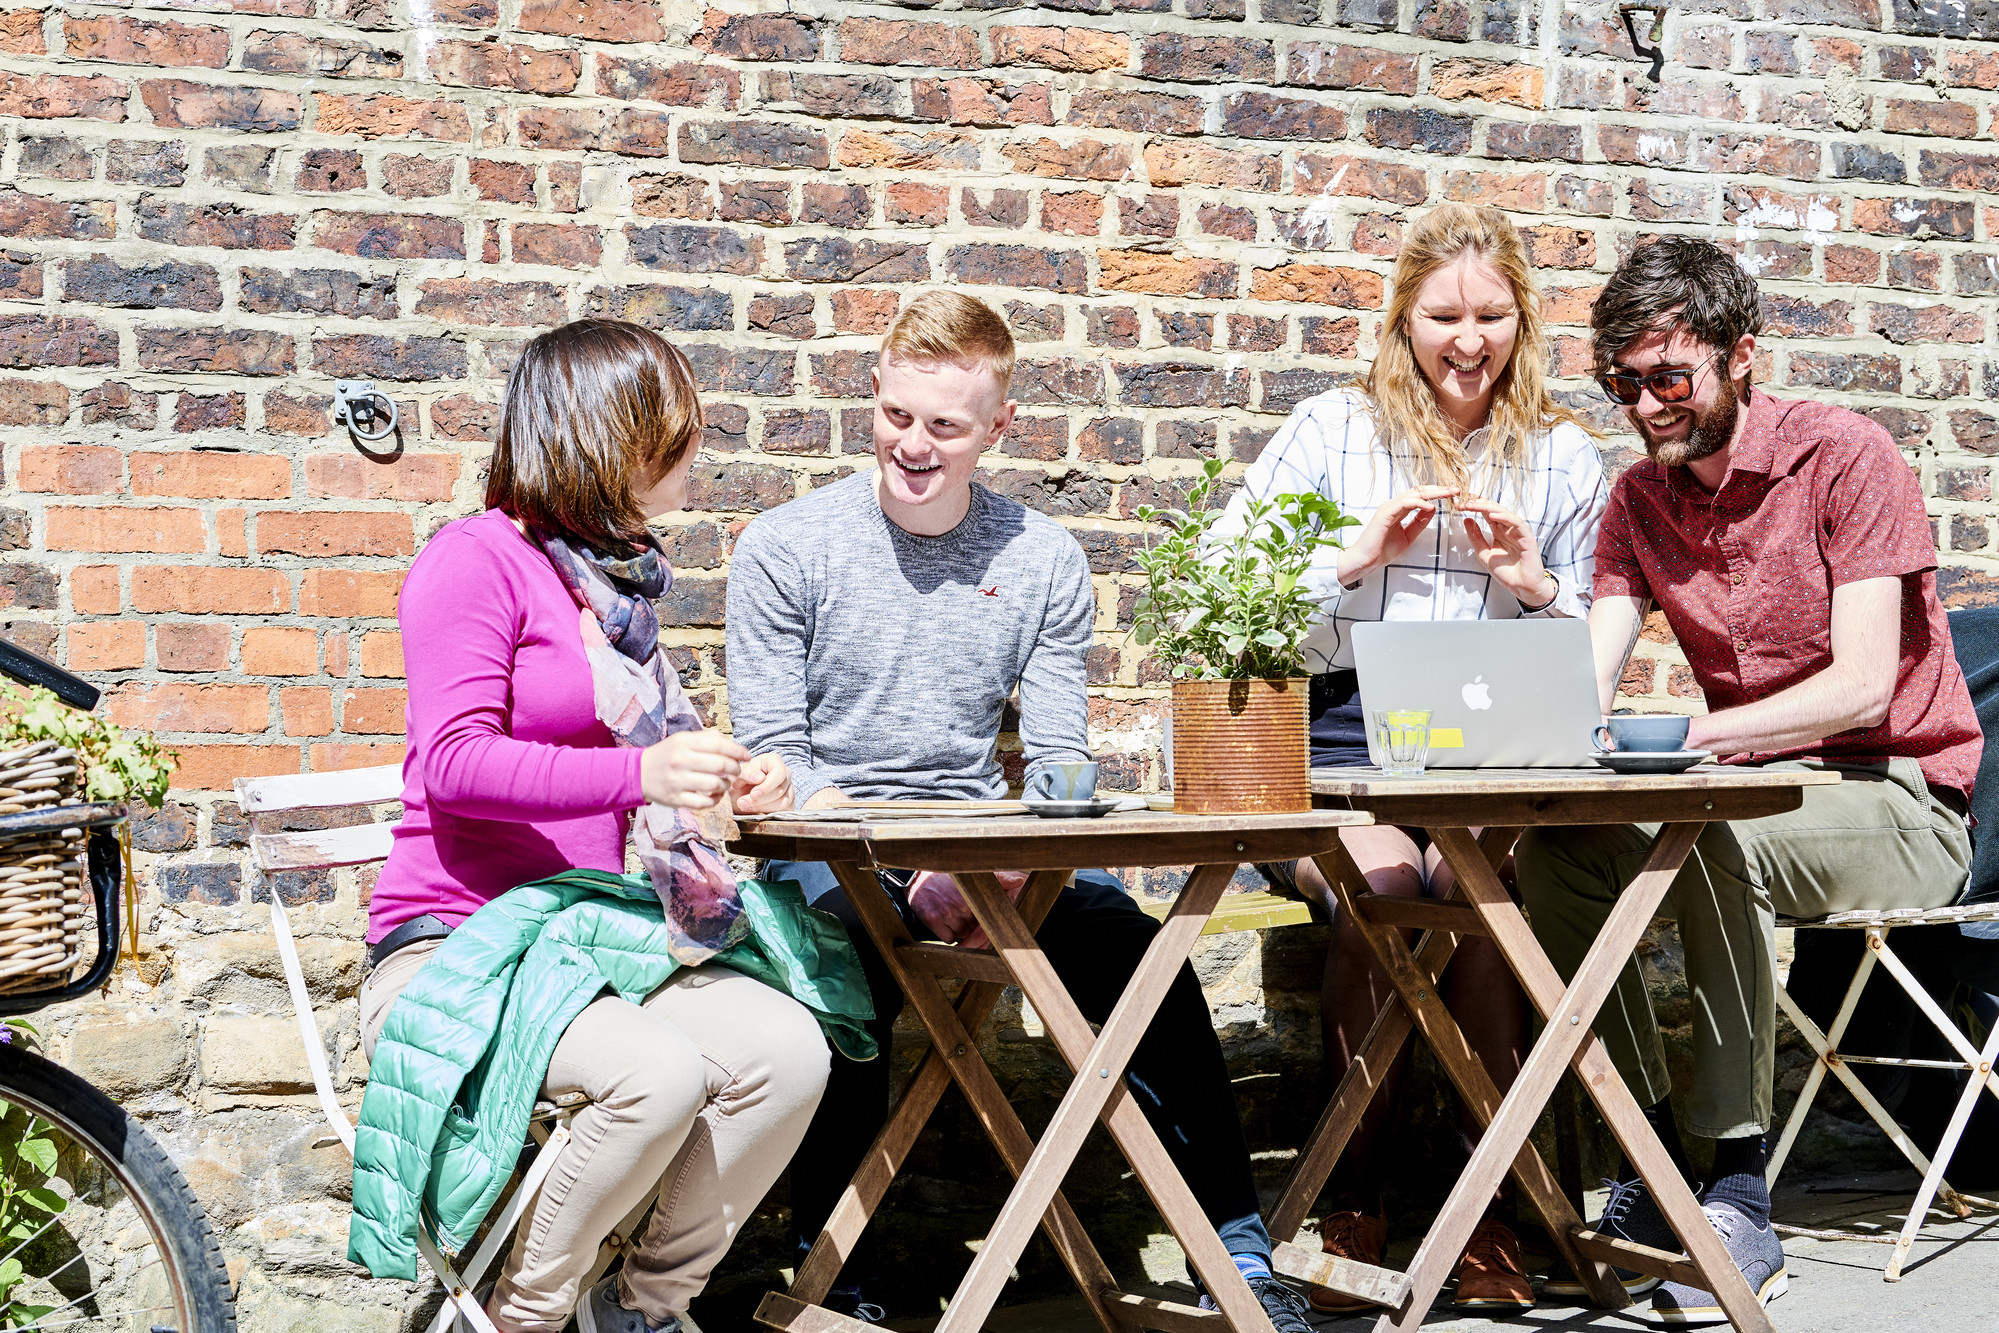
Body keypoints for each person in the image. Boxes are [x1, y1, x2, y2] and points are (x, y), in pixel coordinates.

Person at [723, 291, 1316, 1333]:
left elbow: (1056, 759)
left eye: (945, 426)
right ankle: (835, 1284)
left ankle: (1239, 1256)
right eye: (896, 416)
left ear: (997, 427)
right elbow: (777, 764)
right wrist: (910, 863)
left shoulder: (1041, 558)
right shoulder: (786, 546)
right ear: (874, 392)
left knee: (1141, 959)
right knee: (837, 972)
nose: (913, 445)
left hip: (987, 854)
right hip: (830, 849)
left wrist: (1027, 836)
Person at [1516, 237, 1979, 1324]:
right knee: (1562, 855)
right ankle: (1638, 1164)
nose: (1643, 405)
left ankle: (1732, 1183)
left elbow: (1862, 688)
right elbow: (1593, 667)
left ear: (1741, 358)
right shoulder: (1637, 500)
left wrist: (1693, 738)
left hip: (1899, 797)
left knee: (1710, 836)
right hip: (1750, 789)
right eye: (1621, 382)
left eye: (1667, 377)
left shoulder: (1846, 457)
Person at [354, 320, 831, 1333]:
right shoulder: (470, 563)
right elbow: (453, 762)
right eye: (678, 432)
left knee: (789, 1050)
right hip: (453, 943)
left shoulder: (606, 586)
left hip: (584, 939)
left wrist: (733, 776)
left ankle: (645, 1310)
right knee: (652, 1076)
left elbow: (652, 753)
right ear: (612, 436)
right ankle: (525, 1314)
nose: (696, 456)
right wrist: (637, 770)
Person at [1213, 203, 1608, 1312]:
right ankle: (1352, 1200)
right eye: (1443, 315)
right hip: (1339, 746)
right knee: (1384, 886)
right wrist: (1352, 560)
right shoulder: (1330, 430)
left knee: (1474, 893)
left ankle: (1489, 1216)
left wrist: (1532, 585)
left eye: (1491, 315)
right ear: (1402, 319)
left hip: (1492, 747)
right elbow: (1230, 606)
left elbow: (1589, 672)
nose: (1467, 340)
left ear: (1523, 322)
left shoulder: (1563, 454)